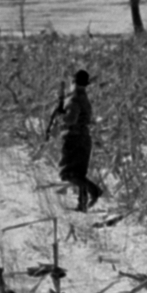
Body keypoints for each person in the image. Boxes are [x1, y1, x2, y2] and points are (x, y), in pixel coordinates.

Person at [53, 69, 103, 211]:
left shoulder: (74, 98)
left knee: (67, 174)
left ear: (74, 82)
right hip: (84, 137)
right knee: (79, 174)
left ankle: (94, 190)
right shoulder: (84, 98)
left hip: (73, 137)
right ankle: (82, 204)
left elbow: (70, 120)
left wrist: (60, 115)